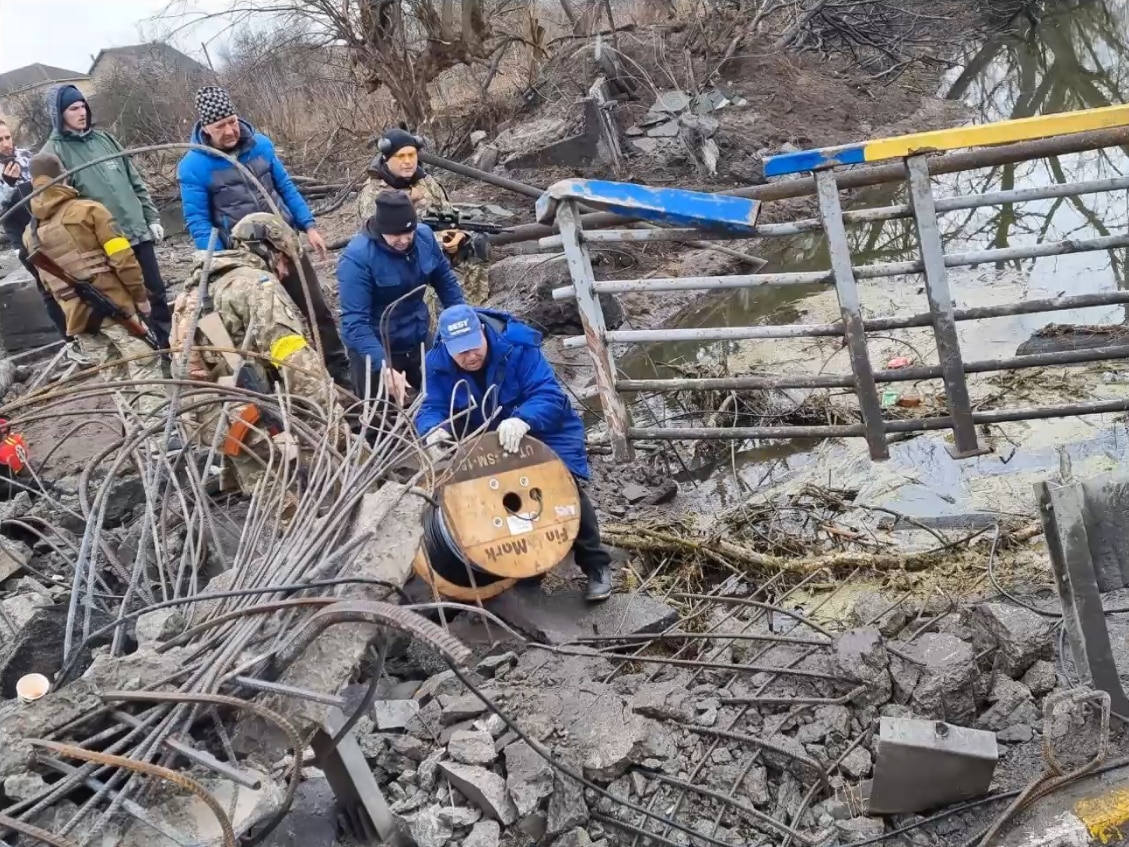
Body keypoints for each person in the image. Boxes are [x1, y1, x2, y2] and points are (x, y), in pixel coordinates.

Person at [416, 305, 613, 602]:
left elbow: (548, 394)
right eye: (461, 352)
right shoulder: (436, 364)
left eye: (474, 346)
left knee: (561, 487)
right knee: (497, 497)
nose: (470, 356)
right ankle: (526, 564)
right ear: (446, 347)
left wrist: (523, 420)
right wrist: (433, 430)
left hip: (546, 428)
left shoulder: (518, 345)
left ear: (482, 331)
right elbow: (431, 406)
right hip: (487, 437)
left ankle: (596, 565)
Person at [177, 86, 351, 388]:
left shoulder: (261, 146)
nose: (230, 131)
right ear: (205, 129)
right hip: (247, 260)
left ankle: (339, 371)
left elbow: (285, 187)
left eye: (232, 121)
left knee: (316, 310)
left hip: (284, 244)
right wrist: (222, 263)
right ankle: (283, 385)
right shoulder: (194, 166)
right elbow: (199, 222)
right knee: (267, 324)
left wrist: (308, 225)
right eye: (220, 127)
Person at [170, 212, 344, 494]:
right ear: (269, 250)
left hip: (207, 418)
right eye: (285, 260)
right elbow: (295, 361)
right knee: (323, 467)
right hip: (250, 416)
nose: (285, 271)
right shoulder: (258, 285)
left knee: (268, 495)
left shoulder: (196, 288)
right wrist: (329, 416)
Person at [22, 153, 168, 422]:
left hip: (79, 320)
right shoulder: (89, 210)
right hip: (116, 309)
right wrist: (140, 297)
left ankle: (136, 434)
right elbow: (124, 260)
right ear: (64, 176)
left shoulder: (30, 234)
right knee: (145, 369)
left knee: (116, 380)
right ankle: (161, 437)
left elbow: (48, 287)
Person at [40, 85, 171, 346]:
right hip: (104, 242)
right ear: (58, 114)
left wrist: (151, 218)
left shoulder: (105, 140)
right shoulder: (52, 154)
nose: (81, 112)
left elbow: (135, 180)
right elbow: (57, 207)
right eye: (73, 108)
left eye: (83, 106)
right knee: (123, 301)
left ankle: (169, 346)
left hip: (137, 231)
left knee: (155, 292)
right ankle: (146, 350)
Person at [338, 190, 465, 402]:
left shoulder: (424, 238)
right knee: (379, 414)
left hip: (417, 338)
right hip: (375, 347)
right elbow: (354, 323)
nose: (404, 240)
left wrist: (461, 322)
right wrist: (383, 366)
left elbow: (446, 283)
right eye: (396, 235)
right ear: (382, 230)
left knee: (445, 398)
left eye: (409, 233)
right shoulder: (357, 258)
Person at [357, 128, 490, 305]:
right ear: (386, 158)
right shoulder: (373, 193)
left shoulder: (426, 181)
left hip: (433, 242)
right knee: (420, 263)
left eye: (411, 155)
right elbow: (384, 241)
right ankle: (426, 319)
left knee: (475, 243)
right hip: (393, 257)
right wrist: (438, 240)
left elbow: (447, 213)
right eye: (401, 156)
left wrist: (457, 234)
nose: (408, 161)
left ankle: (474, 307)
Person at [0, 122, 88, 363]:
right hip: (21, 237)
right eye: (0, 140)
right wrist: (7, 185)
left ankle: (89, 329)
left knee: (74, 277)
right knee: (48, 286)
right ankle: (71, 342)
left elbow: (57, 182)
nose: (6, 144)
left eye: (8, 137)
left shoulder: (28, 158)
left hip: (51, 228)